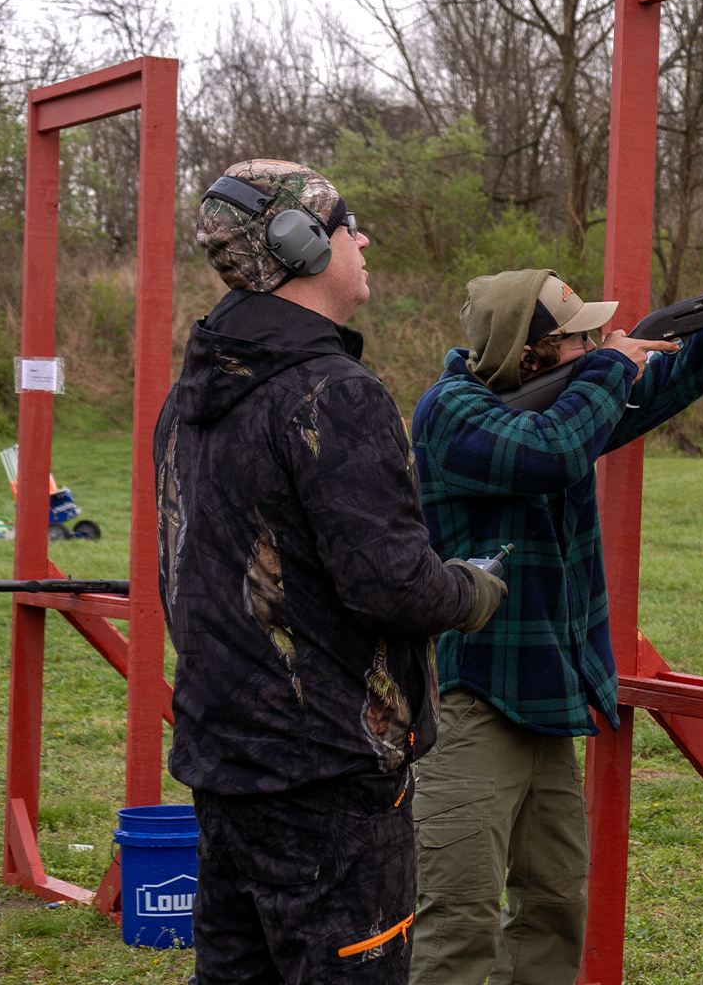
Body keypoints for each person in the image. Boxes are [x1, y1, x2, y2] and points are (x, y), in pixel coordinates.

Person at [407, 268, 703, 983]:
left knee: (554, 904)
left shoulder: (566, 401)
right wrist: (610, 368)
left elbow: (650, 393)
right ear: (530, 351)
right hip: (471, 700)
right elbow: (549, 452)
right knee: (459, 916)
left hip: (544, 696)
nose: (600, 343)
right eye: (580, 339)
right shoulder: (450, 413)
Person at [155, 159, 508, 984]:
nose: (363, 240)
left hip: (225, 765)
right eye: (348, 225)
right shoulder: (331, 394)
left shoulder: (192, 393)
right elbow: (393, 586)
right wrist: (472, 589)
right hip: (329, 780)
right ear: (301, 245)